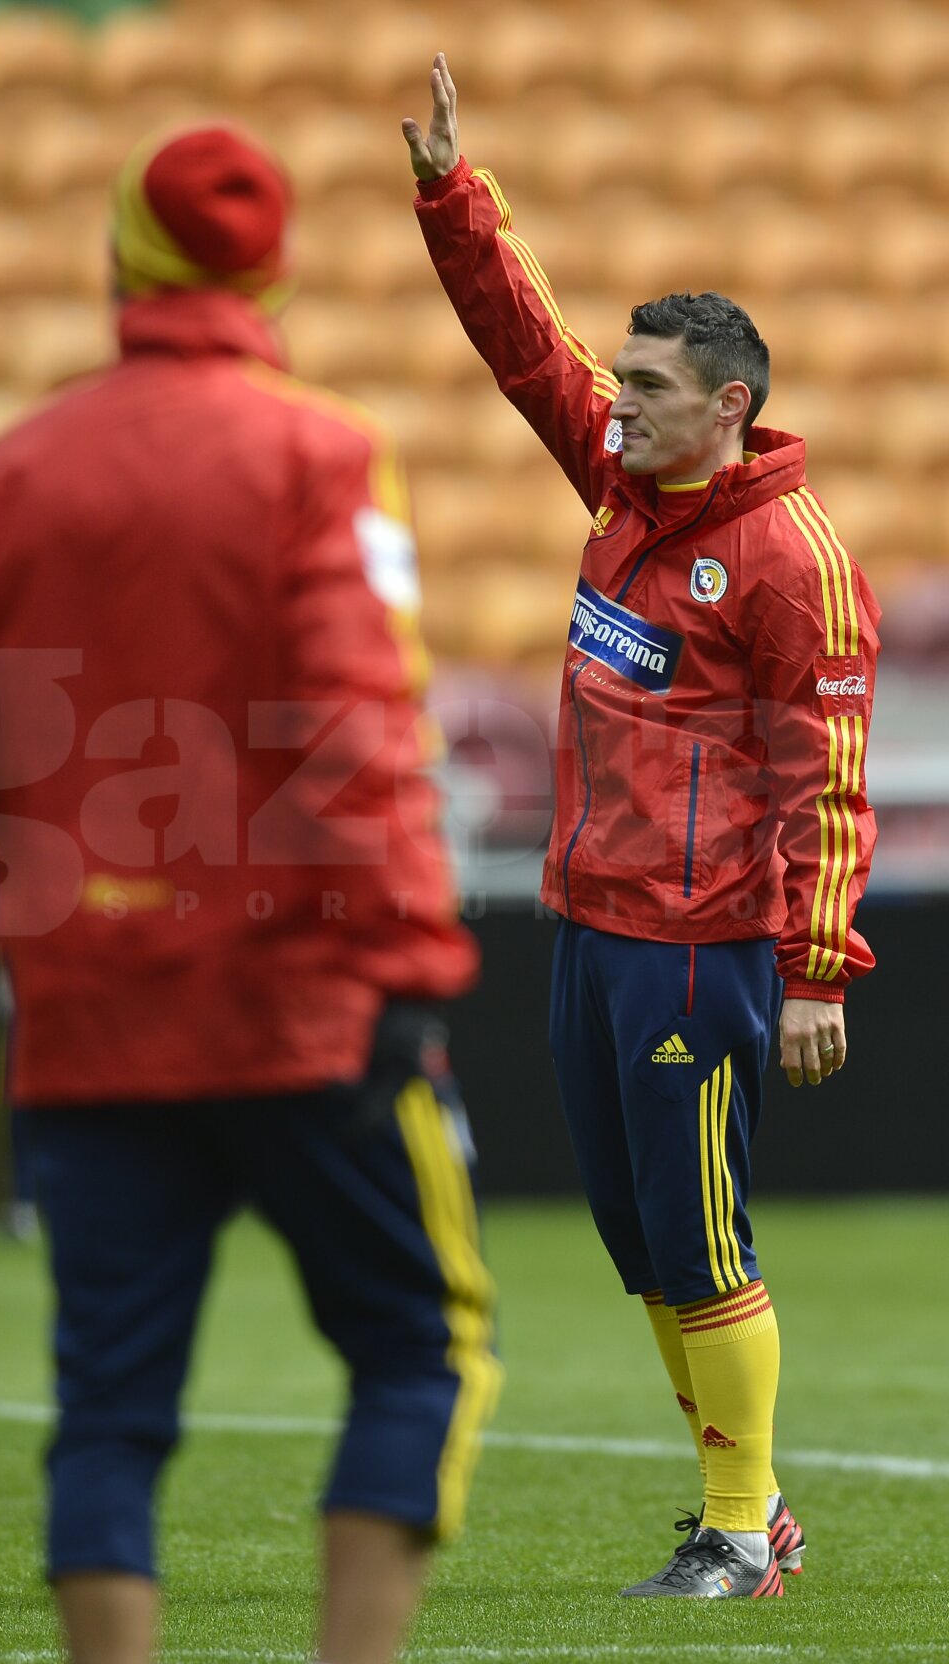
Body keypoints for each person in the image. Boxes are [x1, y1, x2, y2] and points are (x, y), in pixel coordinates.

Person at [0, 123, 500, 1664]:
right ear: (270, 267)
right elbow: (358, 727)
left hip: (90, 1017)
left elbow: (0, 748)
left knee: (109, 1412)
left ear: (123, 255)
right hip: (295, 1014)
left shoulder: (16, 464)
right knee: (419, 1350)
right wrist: (409, 964)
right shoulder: (313, 449)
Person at [403, 56, 879, 1599]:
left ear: (729, 405)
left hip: (704, 947)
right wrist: (454, 201)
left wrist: (816, 970)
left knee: (702, 1240)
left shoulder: (793, 562)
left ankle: (744, 1531)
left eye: (652, 385)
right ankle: (739, 1511)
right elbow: (528, 353)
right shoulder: (623, 492)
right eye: (625, 380)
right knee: (639, 1243)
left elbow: (831, 771)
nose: (618, 399)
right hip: (590, 922)